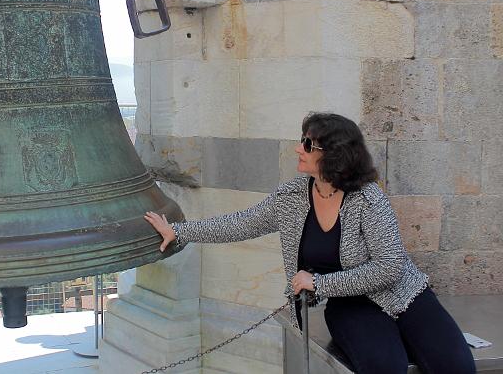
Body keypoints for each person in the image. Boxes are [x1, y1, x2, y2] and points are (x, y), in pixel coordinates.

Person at [145, 112, 475, 374]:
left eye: (307, 144)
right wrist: (180, 232)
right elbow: (241, 224)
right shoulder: (291, 197)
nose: (297, 149)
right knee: (384, 366)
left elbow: (389, 268)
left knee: (457, 366)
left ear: (334, 154)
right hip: (351, 305)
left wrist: (317, 282)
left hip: (403, 294)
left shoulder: (369, 200)